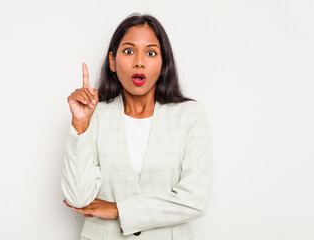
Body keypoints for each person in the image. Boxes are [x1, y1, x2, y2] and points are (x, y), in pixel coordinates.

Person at [61, 13, 213, 240]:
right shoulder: (95, 115)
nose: (139, 61)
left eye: (151, 52)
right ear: (113, 61)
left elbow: (194, 200)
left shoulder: (189, 115)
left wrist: (119, 210)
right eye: (129, 51)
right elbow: (78, 199)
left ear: (163, 63)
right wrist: (81, 125)